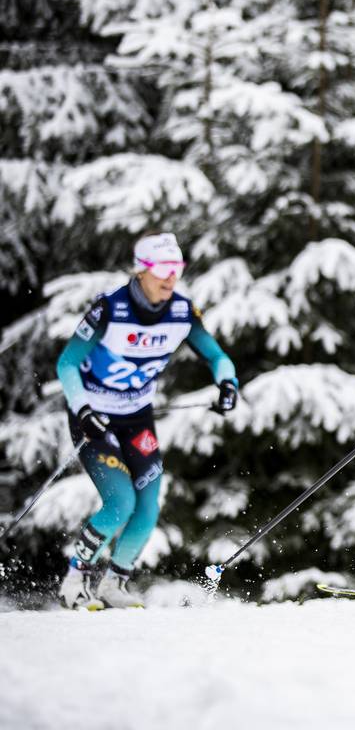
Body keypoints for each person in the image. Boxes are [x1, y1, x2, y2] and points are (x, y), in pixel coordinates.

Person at [55, 232, 238, 609]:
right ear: (141, 270)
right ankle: (75, 580)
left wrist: (227, 384)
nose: (171, 278)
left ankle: (113, 584)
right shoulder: (110, 310)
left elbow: (217, 356)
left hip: (137, 418)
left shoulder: (182, 312)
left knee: (148, 504)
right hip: (95, 418)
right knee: (119, 502)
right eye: (163, 270)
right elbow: (67, 363)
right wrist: (83, 409)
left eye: (177, 269)